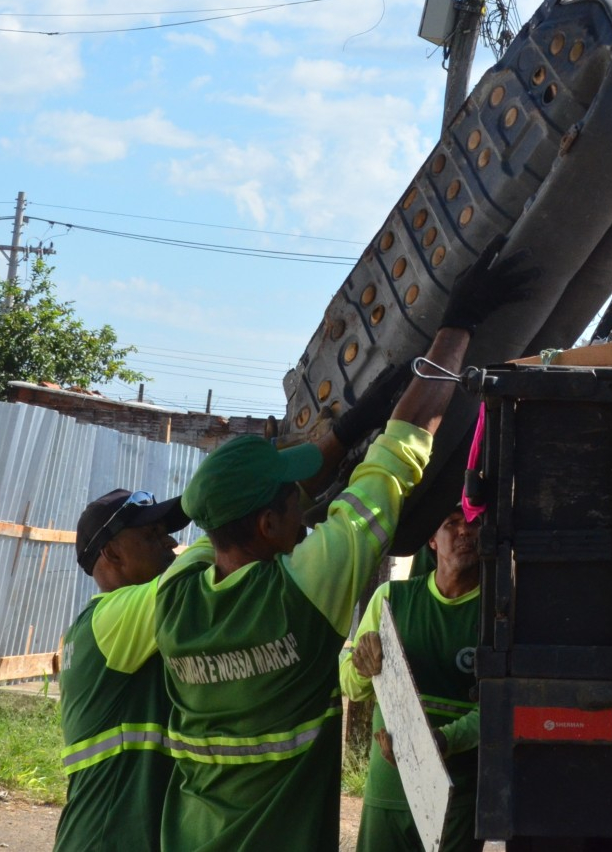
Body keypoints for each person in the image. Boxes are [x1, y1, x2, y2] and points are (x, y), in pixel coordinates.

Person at [155, 244, 536, 852]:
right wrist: (457, 325)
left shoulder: (176, 596)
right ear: (266, 524)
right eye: (292, 501)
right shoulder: (305, 586)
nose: (305, 507)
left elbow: (228, 517)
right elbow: (400, 452)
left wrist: (344, 432)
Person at [56, 488, 206, 852]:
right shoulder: (113, 617)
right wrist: (233, 517)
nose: (171, 542)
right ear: (112, 553)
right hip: (109, 840)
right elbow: (195, 571)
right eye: (152, 535)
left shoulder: (106, 625)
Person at [339, 510, 483, 852]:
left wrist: (443, 741)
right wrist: (362, 666)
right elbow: (350, 686)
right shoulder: (391, 598)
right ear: (432, 540)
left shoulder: (496, 614)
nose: (465, 531)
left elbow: (499, 709)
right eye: (451, 523)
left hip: (457, 797)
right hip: (389, 791)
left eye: (474, 522)